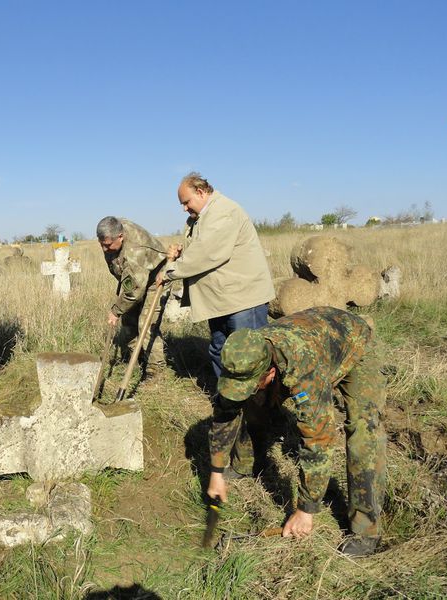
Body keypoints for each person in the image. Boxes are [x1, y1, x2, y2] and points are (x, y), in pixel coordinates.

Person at [208, 306, 387, 557]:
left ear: (270, 372)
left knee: (363, 430)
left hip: (354, 344)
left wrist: (305, 509)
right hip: (314, 333)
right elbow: (226, 411)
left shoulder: (304, 370)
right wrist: (217, 470)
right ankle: (246, 463)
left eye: (250, 384)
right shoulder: (243, 354)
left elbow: (318, 439)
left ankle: (366, 529)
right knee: (252, 400)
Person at [156, 172, 275, 478]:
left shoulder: (225, 211)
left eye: (186, 202)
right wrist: (181, 251)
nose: (184, 208)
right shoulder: (202, 217)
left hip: (243, 301)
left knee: (252, 368)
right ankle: (232, 410)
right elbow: (199, 249)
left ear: (202, 191)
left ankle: (258, 438)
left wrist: (171, 271)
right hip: (223, 300)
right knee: (222, 354)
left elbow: (209, 254)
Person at [96, 216, 168, 379]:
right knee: (129, 320)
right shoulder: (113, 229)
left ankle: (155, 372)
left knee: (146, 324)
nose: (105, 249)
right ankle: (137, 359)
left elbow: (133, 292)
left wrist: (115, 311)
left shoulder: (135, 250)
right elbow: (130, 282)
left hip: (156, 277)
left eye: (107, 245)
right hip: (136, 277)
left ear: (120, 237)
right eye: (101, 244)